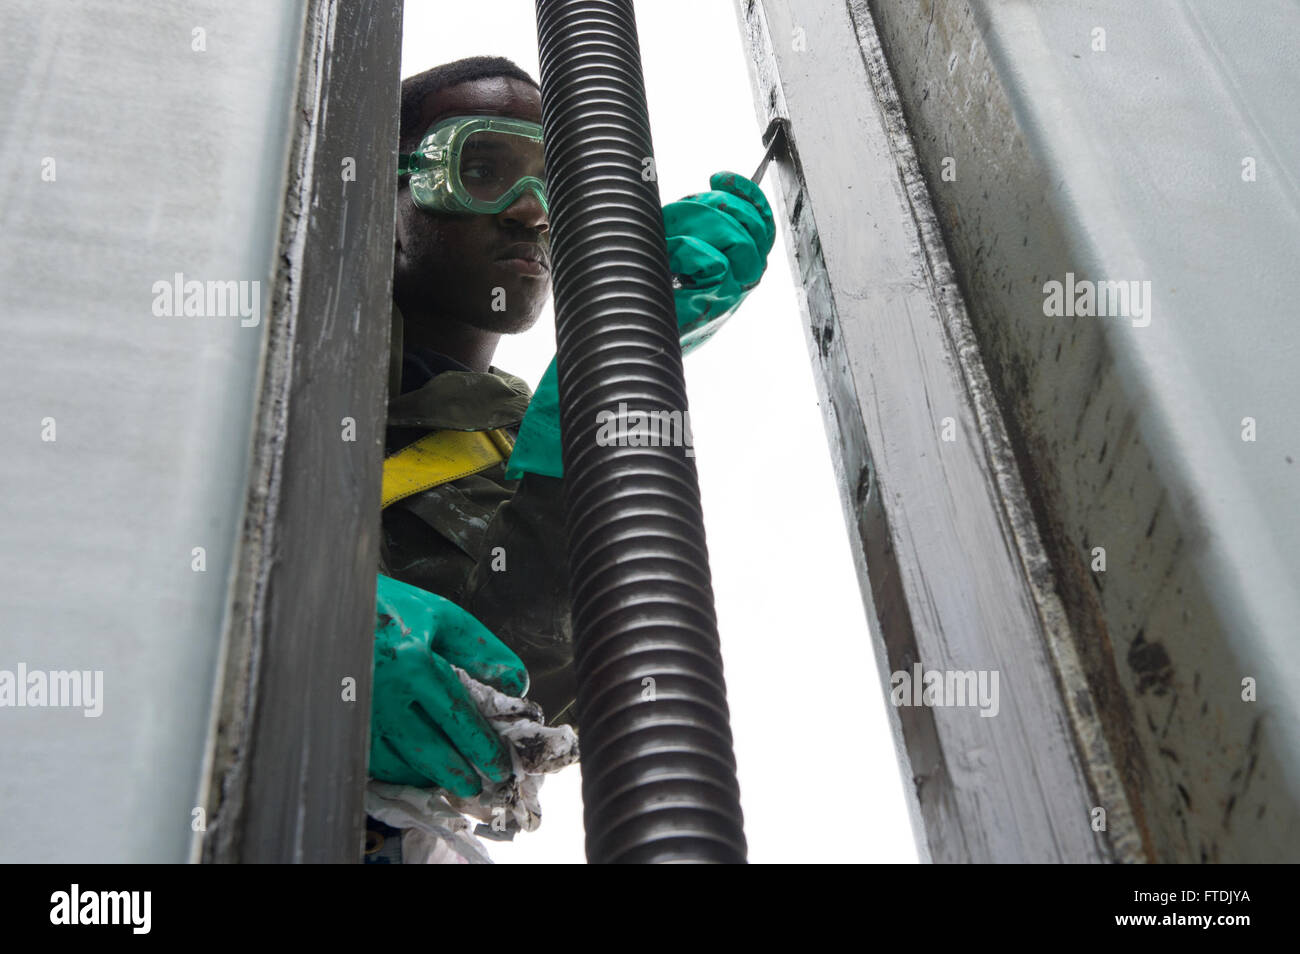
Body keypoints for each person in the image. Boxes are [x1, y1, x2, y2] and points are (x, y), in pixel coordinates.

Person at [366, 55, 774, 862]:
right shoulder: (264, 356)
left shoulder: (510, 450)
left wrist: (603, 387)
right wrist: (315, 625)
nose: (529, 211)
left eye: (556, 184)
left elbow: (513, 697)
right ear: (385, 193)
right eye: (479, 170)